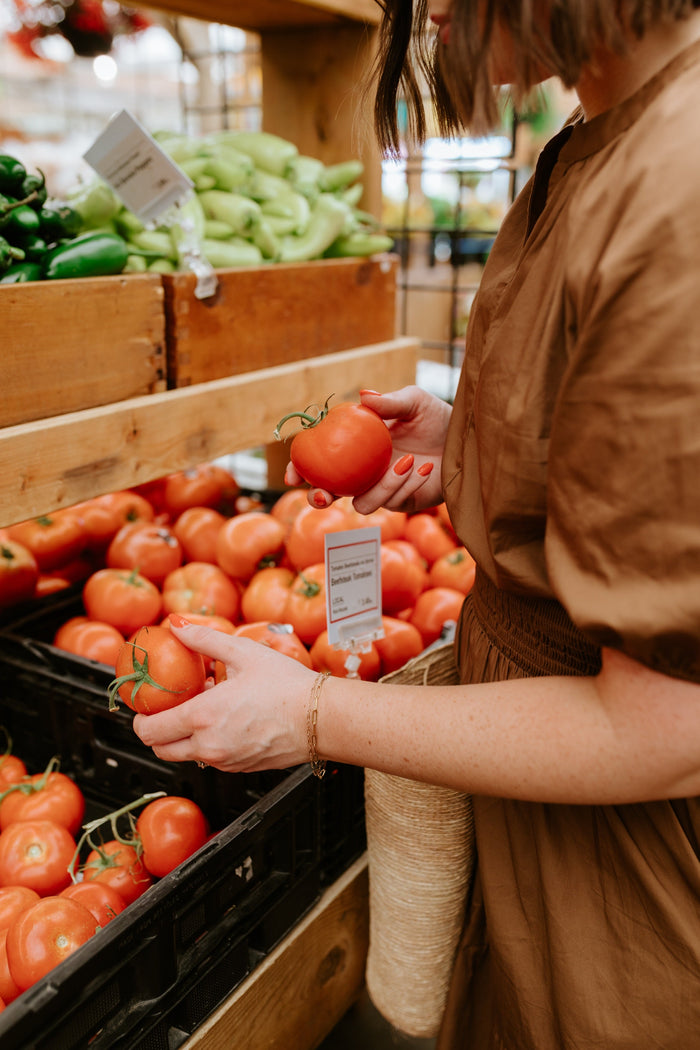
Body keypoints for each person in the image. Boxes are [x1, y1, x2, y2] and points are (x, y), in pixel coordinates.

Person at [133, 2, 700, 1046]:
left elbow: (670, 732)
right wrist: (477, 440)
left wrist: (312, 719)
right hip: (538, 790)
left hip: (630, 868)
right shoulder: (594, 132)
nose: (425, 9)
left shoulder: (678, 196)